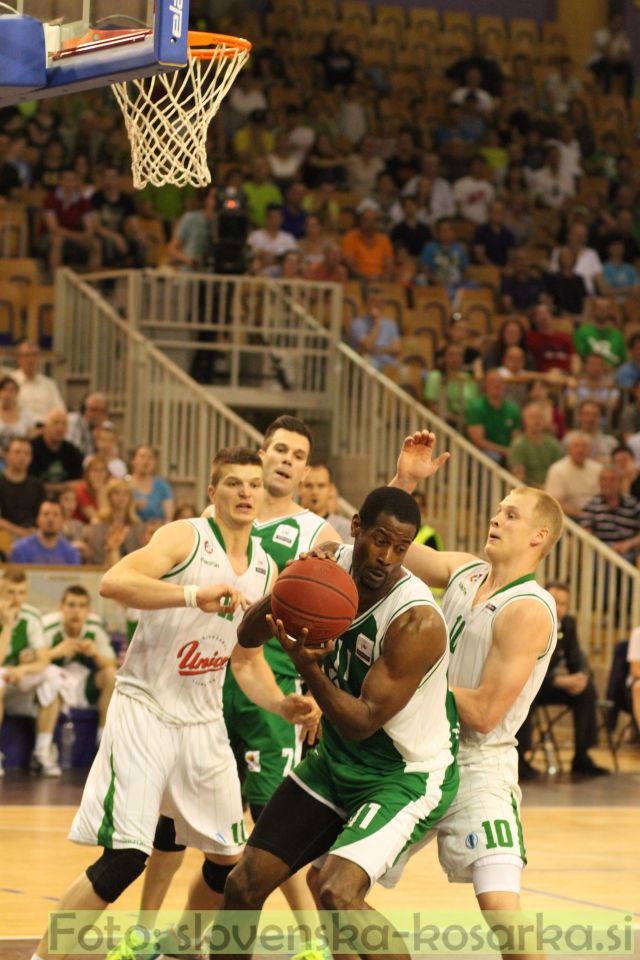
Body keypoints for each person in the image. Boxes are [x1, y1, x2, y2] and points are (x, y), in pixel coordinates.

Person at [31, 446, 318, 960]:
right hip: (146, 708)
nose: (246, 492)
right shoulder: (185, 537)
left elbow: (247, 662)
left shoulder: (265, 569)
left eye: (253, 484)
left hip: (202, 719)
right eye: (234, 483)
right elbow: (113, 581)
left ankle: (183, 944)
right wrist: (191, 595)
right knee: (124, 858)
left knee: (229, 859)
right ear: (214, 492)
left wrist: (281, 706)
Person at [217, 486, 459, 959]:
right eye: (380, 540)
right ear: (356, 530)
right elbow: (247, 634)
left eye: (401, 547)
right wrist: (289, 586)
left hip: (401, 776)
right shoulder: (327, 564)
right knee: (243, 884)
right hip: (337, 763)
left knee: (337, 892)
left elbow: (362, 722)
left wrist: (306, 666)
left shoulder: (416, 622)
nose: (386, 556)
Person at [388, 431, 563, 960]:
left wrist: (405, 680)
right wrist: (405, 482)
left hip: (479, 767)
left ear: (537, 536)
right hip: (421, 754)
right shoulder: (465, 569)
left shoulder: (528, 608)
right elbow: (384, 540)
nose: (496, 517)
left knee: (502, 915)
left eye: (510, 514)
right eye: (497, 510)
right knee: (335, 878)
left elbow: (486, 713)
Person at [517, 582, 609, 778]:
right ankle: (520, 758)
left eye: (563, 604)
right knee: (525, 696)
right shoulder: (533, 621)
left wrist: (581, 676)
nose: (559, 608)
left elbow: (575, 656)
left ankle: (582, 756)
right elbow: (528, 666)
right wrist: (557, 680)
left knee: (587, 691)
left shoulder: (568, 624)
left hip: (550, 684)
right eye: (555, 602)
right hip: (527, 683)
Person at [0, 570, 63, 777]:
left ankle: (42, 752)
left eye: (21, 592)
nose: (16, 598)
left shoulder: (31, 615)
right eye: (10, 592)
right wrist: (8, 626)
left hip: (17, 683)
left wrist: (23, 669)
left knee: (53, 676)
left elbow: (44, 659)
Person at [42, 585, 117, 748]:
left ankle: (103, 739)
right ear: (61, 607)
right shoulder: (48, 627)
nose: (76, 611)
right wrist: (55, 652)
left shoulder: (95, 629)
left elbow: (112, 664)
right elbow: (29, 660)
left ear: (89, 610)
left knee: (110, 675)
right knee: (50, 678)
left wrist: (96, 654)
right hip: (55, 688)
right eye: (71, 605)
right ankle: (44, 748)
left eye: (82, 606)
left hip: (83, 686)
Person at [579, 466, 640, 565]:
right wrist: (606, 549)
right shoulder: (591, 505)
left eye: (612, 479)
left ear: (620, 483)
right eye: (603, 479)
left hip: (628, 551)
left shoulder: (633, 504)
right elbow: (586, 533)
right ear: (599, 483)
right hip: (601, 552)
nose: (607, 483)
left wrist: (628, 545)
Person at [83, 477, 144, 567]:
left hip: (131, 570)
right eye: (116, 493)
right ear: (109, 496)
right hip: (102, 570)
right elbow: (96, 557)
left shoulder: (137, 524)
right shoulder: (98, 523)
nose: (121, 497)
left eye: (125, 493)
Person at [466, 370, 522, 465]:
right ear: (486, 385)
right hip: (485, 453)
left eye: (500, 382)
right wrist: (504, 450)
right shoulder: (477, 408)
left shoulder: (513, 409)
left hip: (507, 451)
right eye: (493, 382)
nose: (497, 386)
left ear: (505, 386)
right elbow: (479, 441)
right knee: (492, 457)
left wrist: (513, 451)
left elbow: (516, 438)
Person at [545, 431, 603, 518]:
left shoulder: (598, 469)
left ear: (590, 449)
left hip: (598, 515)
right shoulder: (557, 469)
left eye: (584, 446)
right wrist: (582, 515)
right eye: (576, 446)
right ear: (568, 448)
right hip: (570, 518)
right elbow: (556, 501)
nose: (580, 450)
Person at [9, 499, 82, 566]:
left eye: (55, 515)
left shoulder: (71, 553)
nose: (50, 519)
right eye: (46, 514)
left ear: (62, 521)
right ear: (37, 519)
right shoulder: (21, 549)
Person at [0, 436, 46, 541]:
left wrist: (34, 531)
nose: (22, 457)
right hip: (6, 535)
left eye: (26, 453)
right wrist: (20, 532)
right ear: (7, 455)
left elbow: (42, 514)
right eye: (17, 452)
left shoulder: (37, 485)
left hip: (35, 534)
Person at [508, 402, 564, 487]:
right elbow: (519, 476)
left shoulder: (553, 444)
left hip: (553, 489)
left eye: (540, 417)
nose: (536, 421)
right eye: (532, 417)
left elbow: (561, 470)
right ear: (525, 421)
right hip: (529, 492)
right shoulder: (518, 445)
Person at [29, 409, 84, 493]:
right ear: (45, 426)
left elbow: (78, 483)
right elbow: (30, 484)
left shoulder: (73, 451)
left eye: (64, 424)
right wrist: (63, 487)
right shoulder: (31, 448)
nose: (60, 427)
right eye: (55, 423)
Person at [11, 340, 65, 425]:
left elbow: (60, 411)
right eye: (26, 355)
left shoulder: (49, 384)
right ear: (19, 359)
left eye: (34, 355)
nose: (30, 360)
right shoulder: (10, 382)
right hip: (20, 430)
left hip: (47, 431)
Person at [347, 289, 401, 373]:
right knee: (372, 365)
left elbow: (397, 349)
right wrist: (377, 323)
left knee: (424, 375)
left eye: (380, 301)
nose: (377, 305)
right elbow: (368, 346)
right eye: (373, 301)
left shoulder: (391, 324)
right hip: (365, 364)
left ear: (384, 305)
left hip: (389, 363)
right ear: (366, 303)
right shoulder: (357, 324)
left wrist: (378, 350)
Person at [298, 462, 353, 543]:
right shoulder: (288, 525)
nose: (315, 492)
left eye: (321, 486)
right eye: (309, 485)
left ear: (331, 488)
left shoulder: (345, 529)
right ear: (299, 488)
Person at [128, 445, 174, 523]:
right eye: (142, 457)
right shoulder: (124, 484)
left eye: (150, 458)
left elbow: (169, 516)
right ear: (133, 460)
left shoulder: (162, 486)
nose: (146, 461)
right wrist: (133, 507)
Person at [66, 393, 109, 458]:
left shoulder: (106, 427)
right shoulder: (74, 421)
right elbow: (73, 453)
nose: (97, 414)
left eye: (102, 411)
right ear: (84, 409)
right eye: (94, 410)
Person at [0, 375, 34, 455]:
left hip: (19, 458)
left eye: (11, 390)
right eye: (4, 389)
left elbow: (30, 441)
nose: (7, 393)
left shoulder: (26, 415)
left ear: (17, 393)